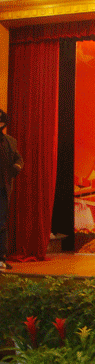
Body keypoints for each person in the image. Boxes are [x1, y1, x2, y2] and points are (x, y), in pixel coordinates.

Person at [0, 111, 23, 271]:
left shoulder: (10, 141)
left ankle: (1, 258)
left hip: (3, 188)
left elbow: (18, 158)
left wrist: (17, 166)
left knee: (1, 224)